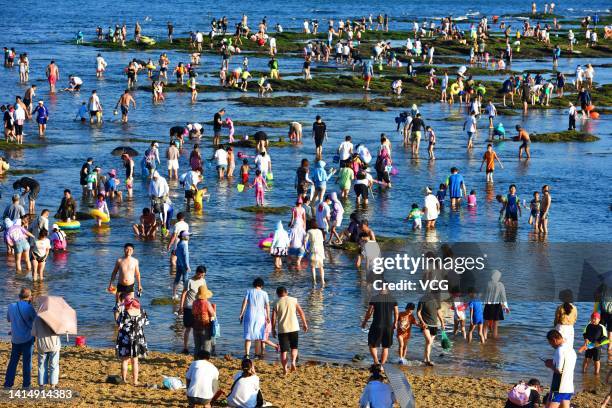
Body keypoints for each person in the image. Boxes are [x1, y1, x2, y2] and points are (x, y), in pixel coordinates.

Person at [3, 288, 36, 389]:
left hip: (15, 338)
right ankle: (26, 385)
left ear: (19, 296)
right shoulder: (29, 308)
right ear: (30, 297)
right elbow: (36, 320)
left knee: (13, 362)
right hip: (27, 338)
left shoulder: (11, 306)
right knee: (27, 362)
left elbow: (9, 319)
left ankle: (8, 384)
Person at [116, 297, 148, 386]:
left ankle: (124, 380)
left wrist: (117, 312)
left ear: (127, 305)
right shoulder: (142, 311)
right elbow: (145, 322)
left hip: (125, 337)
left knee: (125, 360)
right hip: (137, 338)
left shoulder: (124, 313)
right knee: (135, 361)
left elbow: (119, 323)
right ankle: (135, 381)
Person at [361, 288, 398, 365]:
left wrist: (365, 321)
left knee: (372, 344)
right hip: (388, 325)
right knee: (386, 346)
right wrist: (395, 323)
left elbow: (369, 312)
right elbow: (396, 312)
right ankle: (382, 366)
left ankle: (376, 361)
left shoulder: (375, 298)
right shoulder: (392, 299)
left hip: (377, 324)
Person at [108, 243, 143, 317]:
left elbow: (137, 274)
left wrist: (139, 285)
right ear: (124, 249)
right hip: (120, 286)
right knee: (118, 306)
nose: (128, 251)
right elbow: (114, 272)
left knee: (130, 306)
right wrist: (111, 283)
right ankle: (117, 324)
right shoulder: (119, 260)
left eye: (130, 249)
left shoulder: (135, 261)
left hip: (130, 286)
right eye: (127, 249)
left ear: (133, 251)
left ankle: (126, 322)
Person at [544, 329, 576, 408]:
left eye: (550, 343)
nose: (551, 346)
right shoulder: (571, 349)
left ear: (554, 340)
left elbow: (559, 370)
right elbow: (567, 365)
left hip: (559, 386)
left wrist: (550, 365)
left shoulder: (560, 350)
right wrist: (553, 361)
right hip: (569, 386)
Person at [239, 278, 270, 358]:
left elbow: (245, 302)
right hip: (260, 316)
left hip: (249, 315)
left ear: (254, 284)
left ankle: (247, 355)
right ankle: (256, 355)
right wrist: (268, 316)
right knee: (258, 336)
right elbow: (267, 306)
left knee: (248, 335)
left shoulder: (249, 291)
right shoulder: (264, 293)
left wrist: (241, 313)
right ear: (262, 285)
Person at [32, 312, 61, 388]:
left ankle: (41, 385)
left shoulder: (37, 318)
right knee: (54, 365)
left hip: (42, 345)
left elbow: (34, 333)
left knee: (41, 365)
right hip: (54, 345)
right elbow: (59, 331)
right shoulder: (55, 318)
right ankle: (53, 385)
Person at [417, 293, 445, 366]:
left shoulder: (437, 301)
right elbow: (418, 312)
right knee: (429, 341)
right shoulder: (423, 300)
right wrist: (422, 322)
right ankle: (428, 360)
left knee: (429, 343)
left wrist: (442, 322)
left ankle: (424, 359)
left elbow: (439, 312)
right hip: (425, 324)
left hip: (434, 325)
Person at [483, 269, 509, 340]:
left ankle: (484, 337)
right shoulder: (500, 285)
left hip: (488, 305)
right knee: (495, 324)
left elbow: (484, 295)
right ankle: (495, 337)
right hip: (497, 306)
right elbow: (503, 297)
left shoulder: (487, 283)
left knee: (486, 322)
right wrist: (506, 307)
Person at [191, 284, 215, 356]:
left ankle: (196, 360)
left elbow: (193, 313)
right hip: (205, 327)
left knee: (197, 347)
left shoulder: (194, 303)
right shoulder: (207, 303)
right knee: (206, 347)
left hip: (196, 326)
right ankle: (205, 362)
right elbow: (212, 314)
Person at [305, 220, 325, 285]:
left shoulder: (309, 231)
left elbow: (305, 240)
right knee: (321, 267)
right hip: (320, 250)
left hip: (313, 250)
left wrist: (305, 249)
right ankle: (322, 281)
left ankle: (314, 281)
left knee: (313, 267)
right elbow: (322, 240)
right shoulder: (320, 231)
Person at [174, 231, 191, 299]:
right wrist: (187, 266)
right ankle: (186, 296)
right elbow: (185, 256)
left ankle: (174, 295)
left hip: (178, 264)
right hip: (184, 265)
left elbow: (176, 253)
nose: (189, 237)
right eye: (188, 235)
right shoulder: (185, 244)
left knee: (177, 280)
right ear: (184, 237)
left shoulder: (179, 243)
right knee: (185, 280)